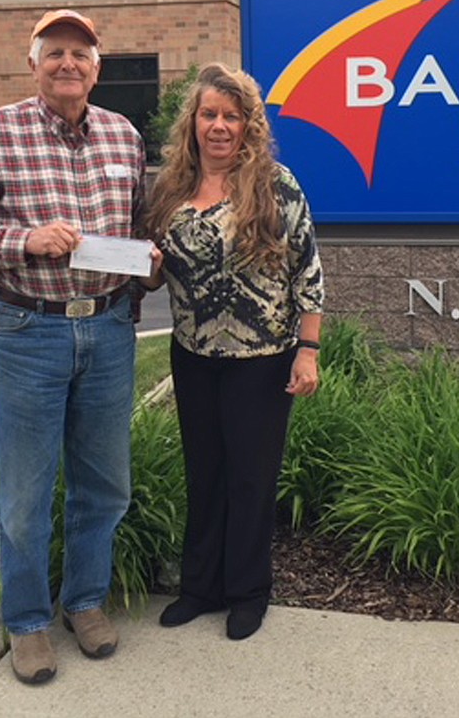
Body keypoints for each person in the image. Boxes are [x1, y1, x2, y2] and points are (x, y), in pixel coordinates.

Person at [0, 9, 148, 685]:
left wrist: (148, 264)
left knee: (105, 484)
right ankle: (26, 620)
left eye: (80, 54)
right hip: (29, 331)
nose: (68, 64)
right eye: (55, 52)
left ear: (97, 66)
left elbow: (137, 224)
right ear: (34, 63)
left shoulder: (123, 133)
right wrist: (21, 241)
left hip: (107, 328)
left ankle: (83, 601)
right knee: (25, 490)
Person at [140, 62, 324, 641]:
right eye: (209, 114)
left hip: (262, 359)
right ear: (192, 122)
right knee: (206, 472)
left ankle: (248, 592)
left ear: (248, 125)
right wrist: (146, 274)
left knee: (251, 477)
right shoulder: (169, 188)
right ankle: (201, 587)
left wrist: (308, 350)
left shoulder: (276, 184)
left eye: (231, 116)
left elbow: (308, 272)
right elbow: (155, 273)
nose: (219, 126)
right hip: (193, 355)